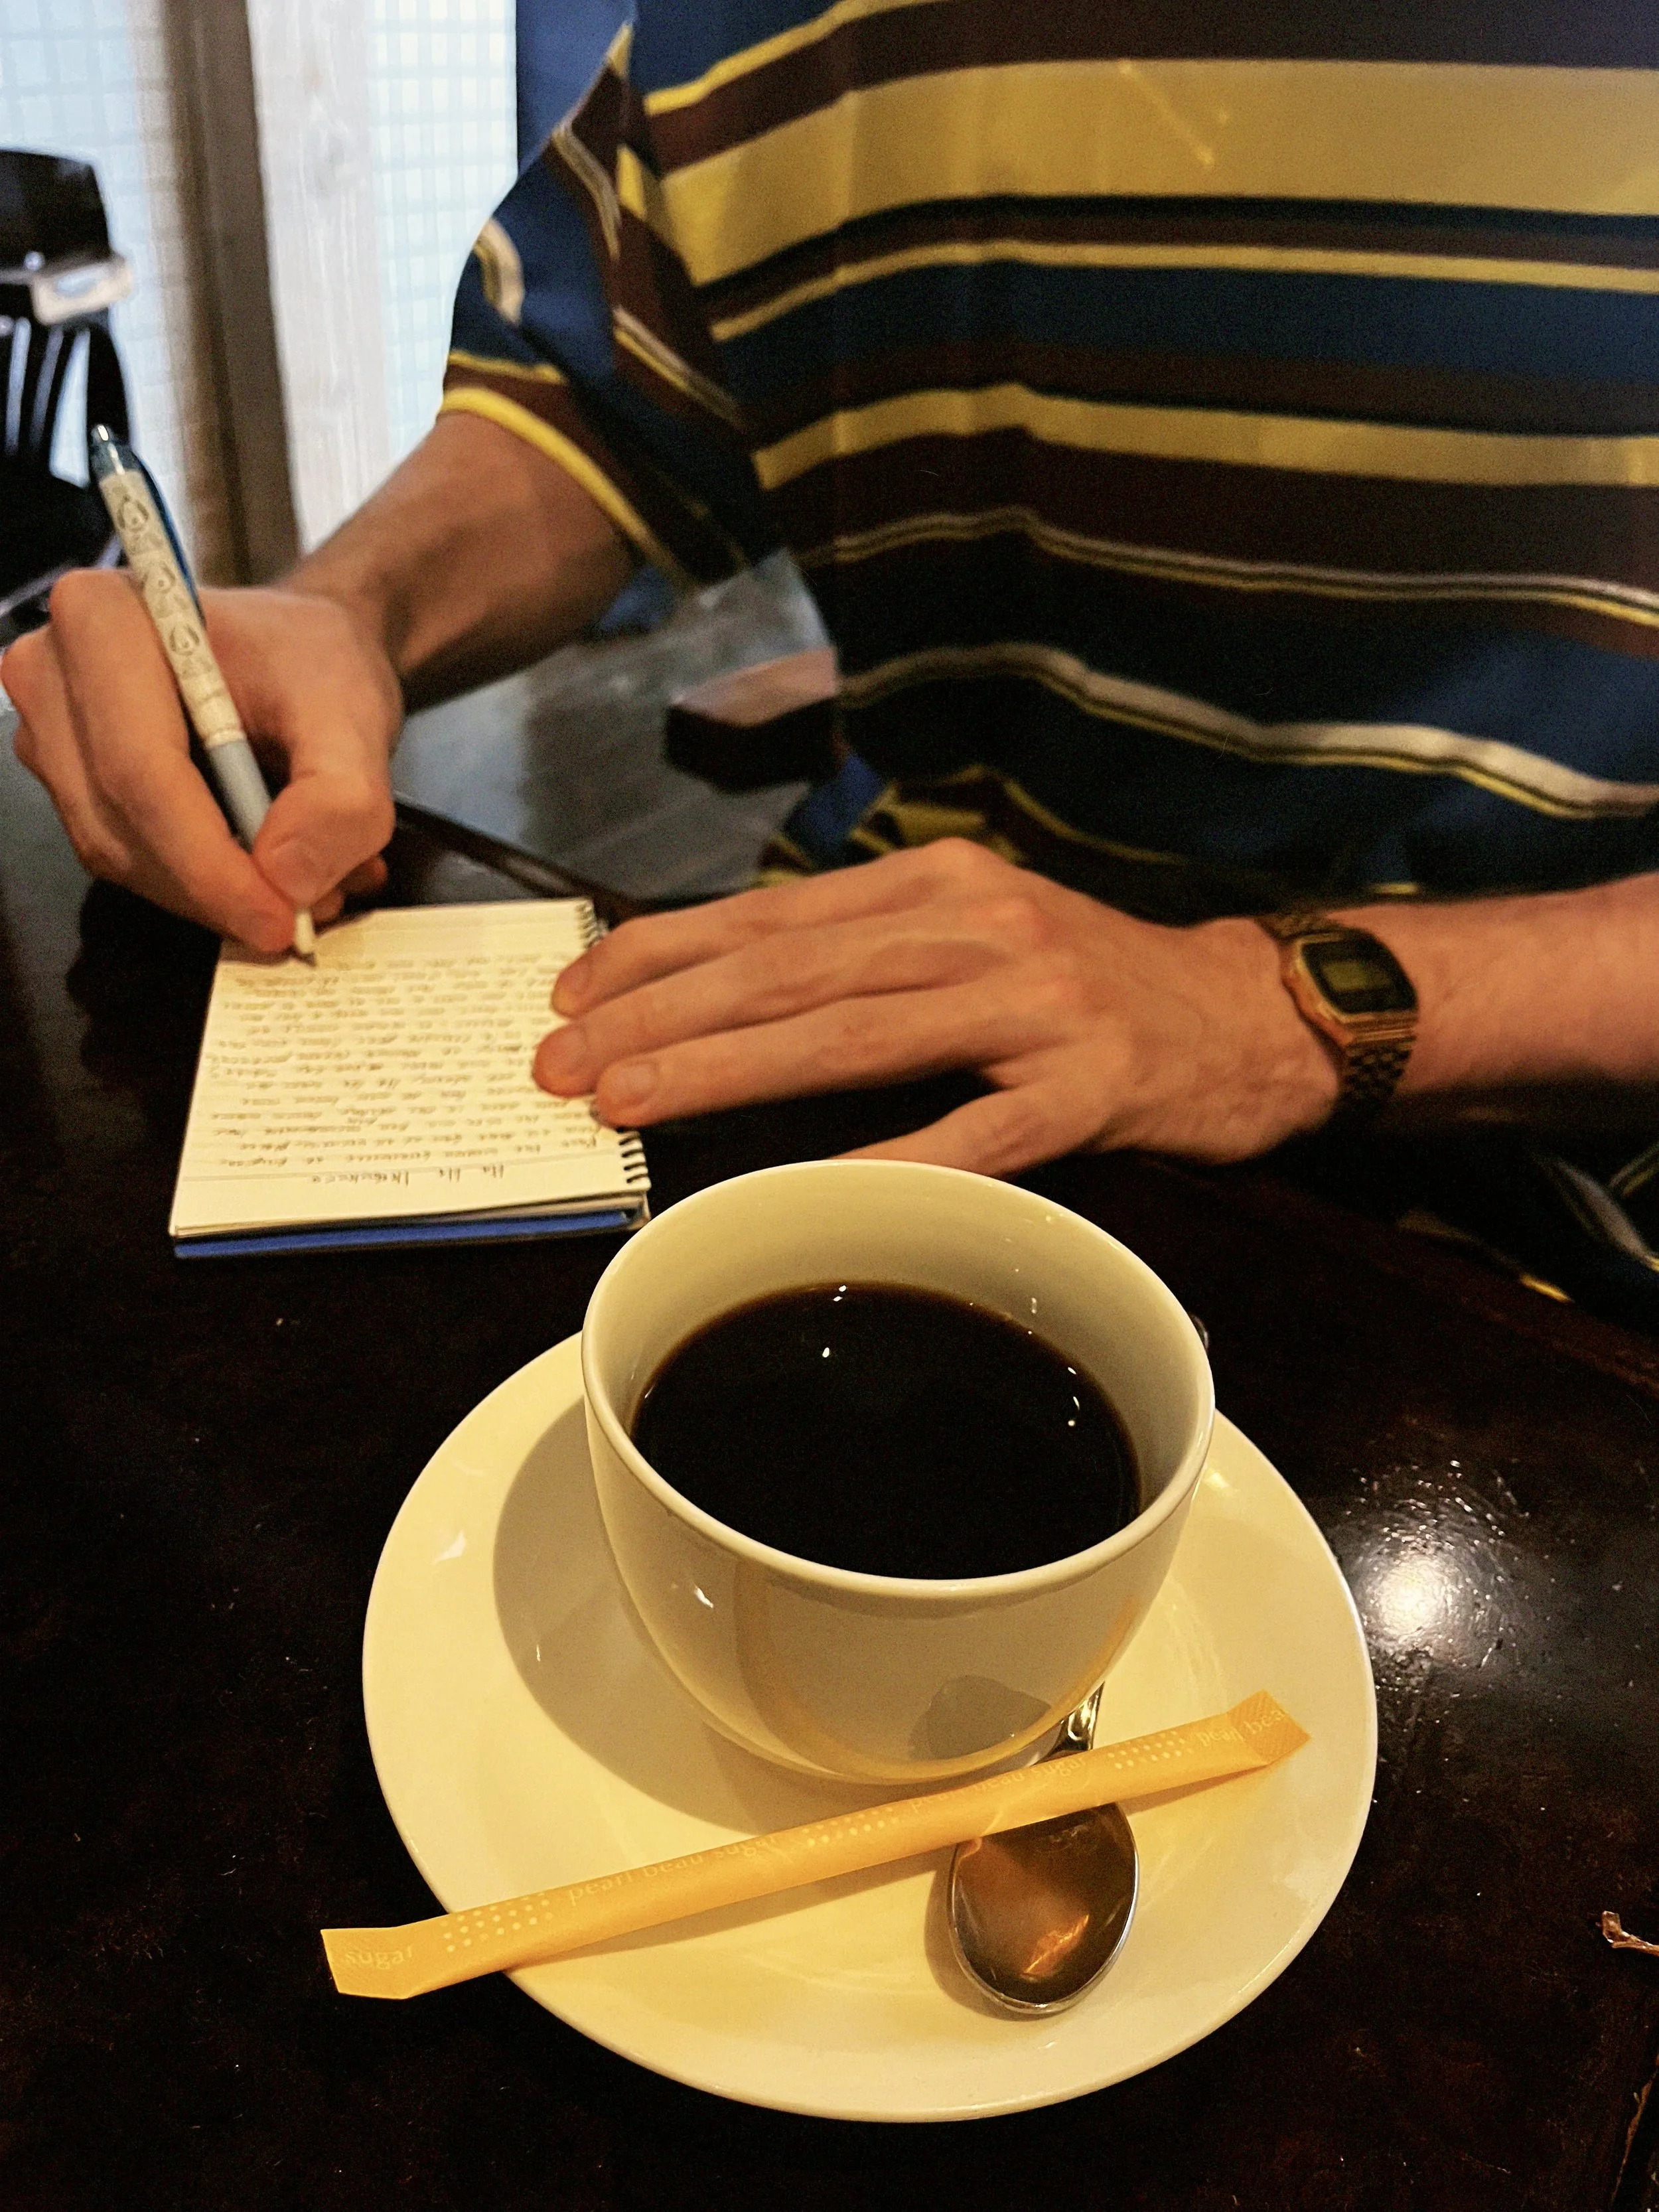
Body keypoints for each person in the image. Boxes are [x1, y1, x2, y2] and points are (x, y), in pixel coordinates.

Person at [9, 5, 1659, 1177]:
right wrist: (354, 609)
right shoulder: (735, 26)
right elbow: (610, 401)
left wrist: (1263, 1004)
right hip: (859, 1044)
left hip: (1526, 1199)